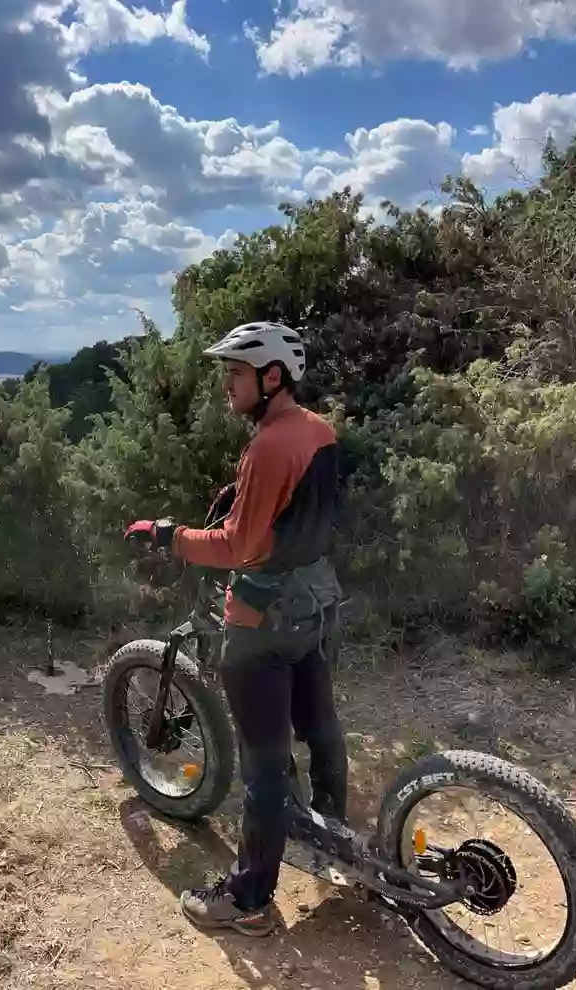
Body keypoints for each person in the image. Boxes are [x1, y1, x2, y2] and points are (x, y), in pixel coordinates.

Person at [123, 321, 349, 937]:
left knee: (264, 765)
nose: (226, 385)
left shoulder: (270, 445)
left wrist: (170, 536)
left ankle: (246, 901)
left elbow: (238, 547)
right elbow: (302, 517)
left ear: (272, 377)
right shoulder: (318, 433)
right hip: (312, 605)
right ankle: (338, 836)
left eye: (236, 373)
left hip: (262, 620)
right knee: (320, 726)